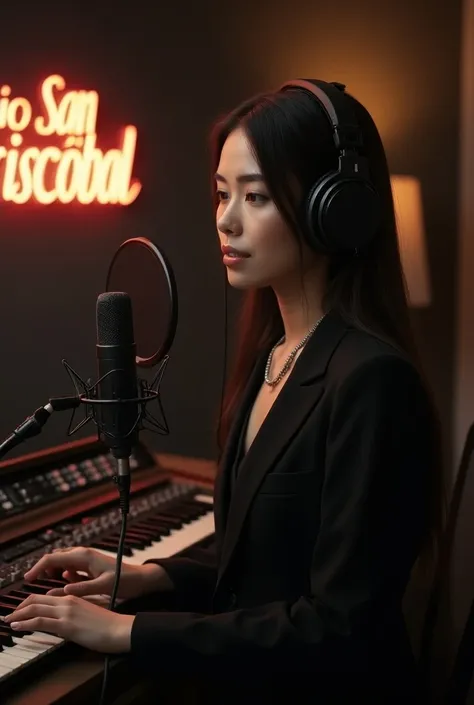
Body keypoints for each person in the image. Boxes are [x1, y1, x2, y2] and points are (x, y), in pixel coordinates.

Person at [3, 79, 444, 703]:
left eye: (256, 196)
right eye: (220, 194)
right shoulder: (272, 358)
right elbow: (265, 573)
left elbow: (340, 627)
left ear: (333, 207)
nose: (225, 220)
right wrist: (148, 577)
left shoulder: (372, 382)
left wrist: (131, 634)